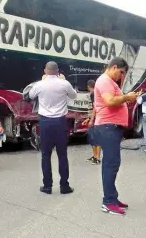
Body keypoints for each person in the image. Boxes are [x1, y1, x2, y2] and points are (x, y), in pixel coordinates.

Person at [92, 57, 138, 215]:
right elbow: (110, 101)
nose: (122, 76)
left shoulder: (109, 82)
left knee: (112, 164)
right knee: (110, 165)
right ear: (114, 67)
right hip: (108, 127)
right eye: (121, 72)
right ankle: (108, 202)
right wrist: (127, 97)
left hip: (111, 127)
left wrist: (126, 98)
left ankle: (112, 197)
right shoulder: (105, 81)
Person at [28, 61, 77, 195]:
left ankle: (47, 186)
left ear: (45, 71)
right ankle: (64, 186)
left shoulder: (40, 84)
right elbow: (74, 95)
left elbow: (31, 95)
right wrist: (64, 80)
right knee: (62, 155)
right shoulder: (64, 83)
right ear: (58, 71)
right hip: (61, 122)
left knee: (46, 155)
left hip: (45, 123)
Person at [83, 79, 101, 165]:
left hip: (96, 120)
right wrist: (88, 119)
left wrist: (92, 120)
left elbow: (95, 108)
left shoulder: (94, 94)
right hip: (94, 118)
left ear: (89, 87)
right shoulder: (94, 94)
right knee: (92, 139)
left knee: (96, 139)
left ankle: (97, 158)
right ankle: (94, 156)